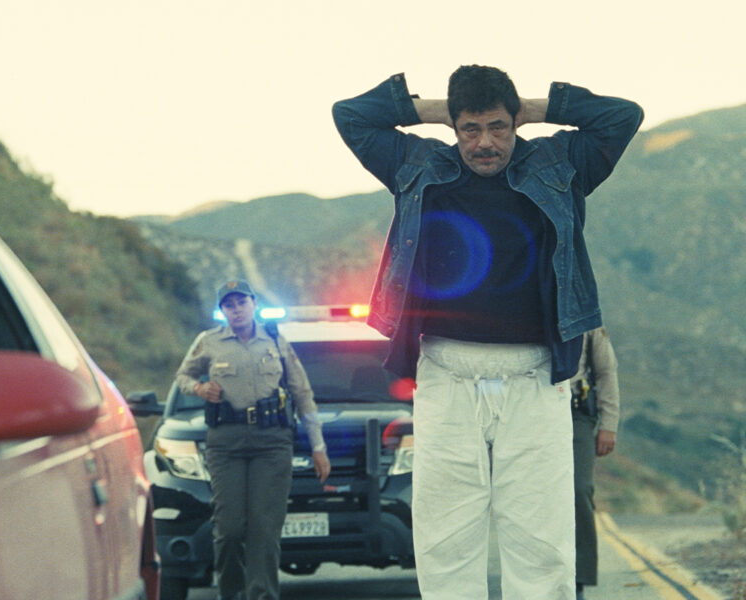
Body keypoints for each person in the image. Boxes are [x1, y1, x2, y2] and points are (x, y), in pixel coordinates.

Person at [332, 66, 642, 600]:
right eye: (469, 129)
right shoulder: (416, 163)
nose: (484, 143)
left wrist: (533, 107)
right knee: (446, 536)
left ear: (515, 123)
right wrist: (433, 109)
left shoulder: (560, 163)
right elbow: (351, 115)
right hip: (446, 373)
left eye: (498, 127)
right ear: (453, 129)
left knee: (541, 537)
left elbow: (622, 116)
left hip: (535, 377)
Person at [176, 279, 331, 600]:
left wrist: (318, 446)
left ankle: (262, 596)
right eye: (229, 305)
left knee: (264, 529)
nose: (237, 310)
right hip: (225, 442)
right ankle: (231, 594)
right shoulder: (208, 341)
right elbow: (183, 377)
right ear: (222, 311)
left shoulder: (275, 340)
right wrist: (200, 389)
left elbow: (302, 393)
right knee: (230, 529)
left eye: (242, 303)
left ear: (253, 304)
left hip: (272, 441)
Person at [571, 327, 620, 600]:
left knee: (579, 490)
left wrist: (608, 425)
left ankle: (577, 580)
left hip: (575, 412)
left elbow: (606, 370)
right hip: (531, 410)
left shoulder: (584, 308)